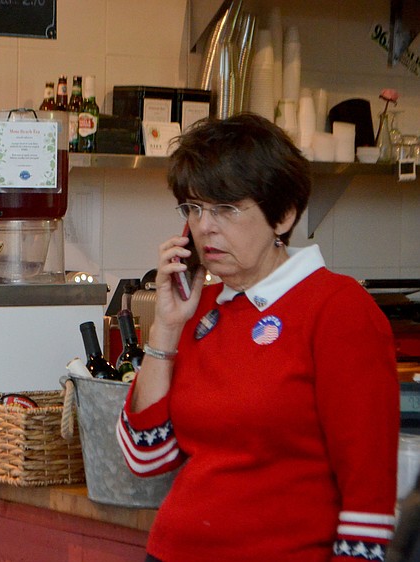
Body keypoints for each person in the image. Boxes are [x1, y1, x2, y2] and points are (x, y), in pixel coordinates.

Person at [116, 113, 400, 562]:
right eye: (193, 208)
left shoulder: (338, 309)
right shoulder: (201, 307)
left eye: (226, 208)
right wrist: (166, 329)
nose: (204, 226)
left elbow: (369, 494)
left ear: (282, 215)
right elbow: (145, 458)